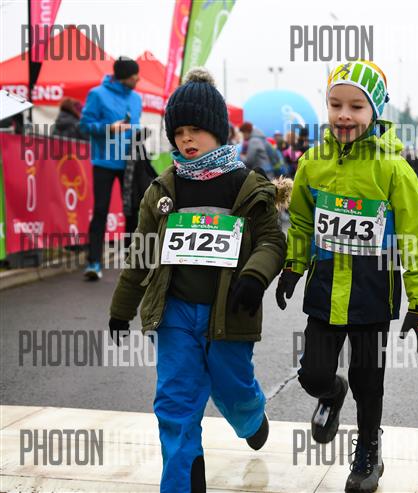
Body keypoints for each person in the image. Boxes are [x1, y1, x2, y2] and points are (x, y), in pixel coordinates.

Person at [108, 68, 288, 493]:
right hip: (174, 315)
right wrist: (121, 309)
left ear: (219, 131)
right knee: (175, 404)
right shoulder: (163, 189)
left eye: (197, 130)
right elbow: (142, 253)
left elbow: (271, 240)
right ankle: (181, 484)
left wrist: (255, 275)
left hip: (229, 313)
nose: (187, 139)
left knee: (231, 386)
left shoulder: (246, 185)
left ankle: (250, 415)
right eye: (179, 132)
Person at [274, 60, 418, 493]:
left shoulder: (394, 169)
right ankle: (332, 392)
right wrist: (293, 266)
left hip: (372, 293)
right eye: (335, 104)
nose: (344, 115)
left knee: (369, 382)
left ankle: (368, 449)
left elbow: (415, 239)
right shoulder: (313, 162)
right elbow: (302, 222)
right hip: (325, 289)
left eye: (356, 106)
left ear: (375, 111)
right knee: (313, 375)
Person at [79, 56, 142, 280]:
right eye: (135, 76)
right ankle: (94, 263)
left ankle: (132, 261)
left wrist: (140, 137)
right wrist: (109, 128)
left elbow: (135, 127)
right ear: (124, 77)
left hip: (130, 163)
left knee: (133, 210)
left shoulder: (137, 98)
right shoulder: (97, 94)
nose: (138, 79)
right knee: (100, 210)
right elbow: (84, 126)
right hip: (104, 162)